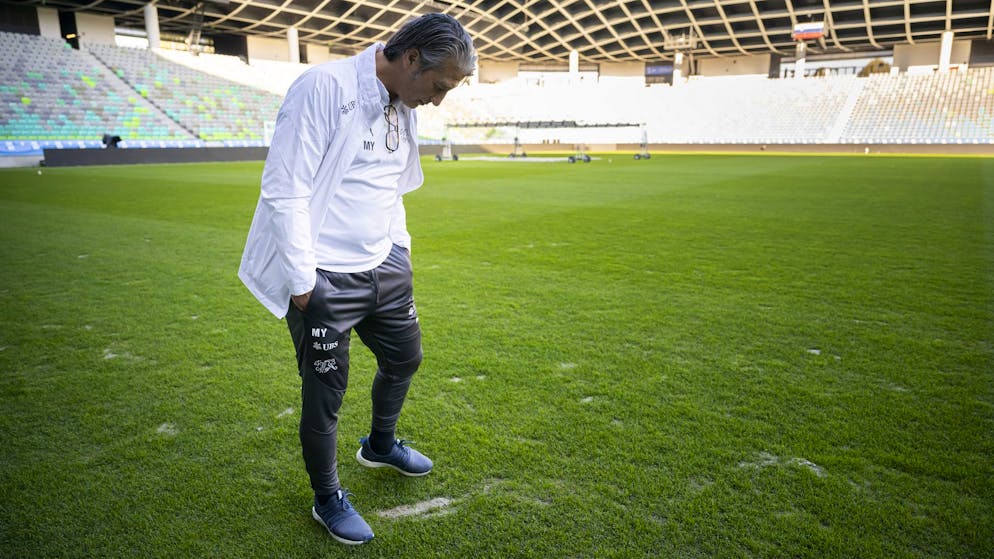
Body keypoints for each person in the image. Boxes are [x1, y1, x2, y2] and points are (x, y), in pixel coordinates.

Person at [238, 13, 476, 545]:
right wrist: (303, 282)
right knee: (326, 394)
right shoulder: (323, 88)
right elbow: (286, 188)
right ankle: (327, 498)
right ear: (411, 59)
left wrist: (401, 250)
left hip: (384, 266)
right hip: (323, 274)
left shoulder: (403, 101)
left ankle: (380, 445)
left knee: (405, 357)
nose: (438, 101)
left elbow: (390, 185)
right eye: (438, 87)